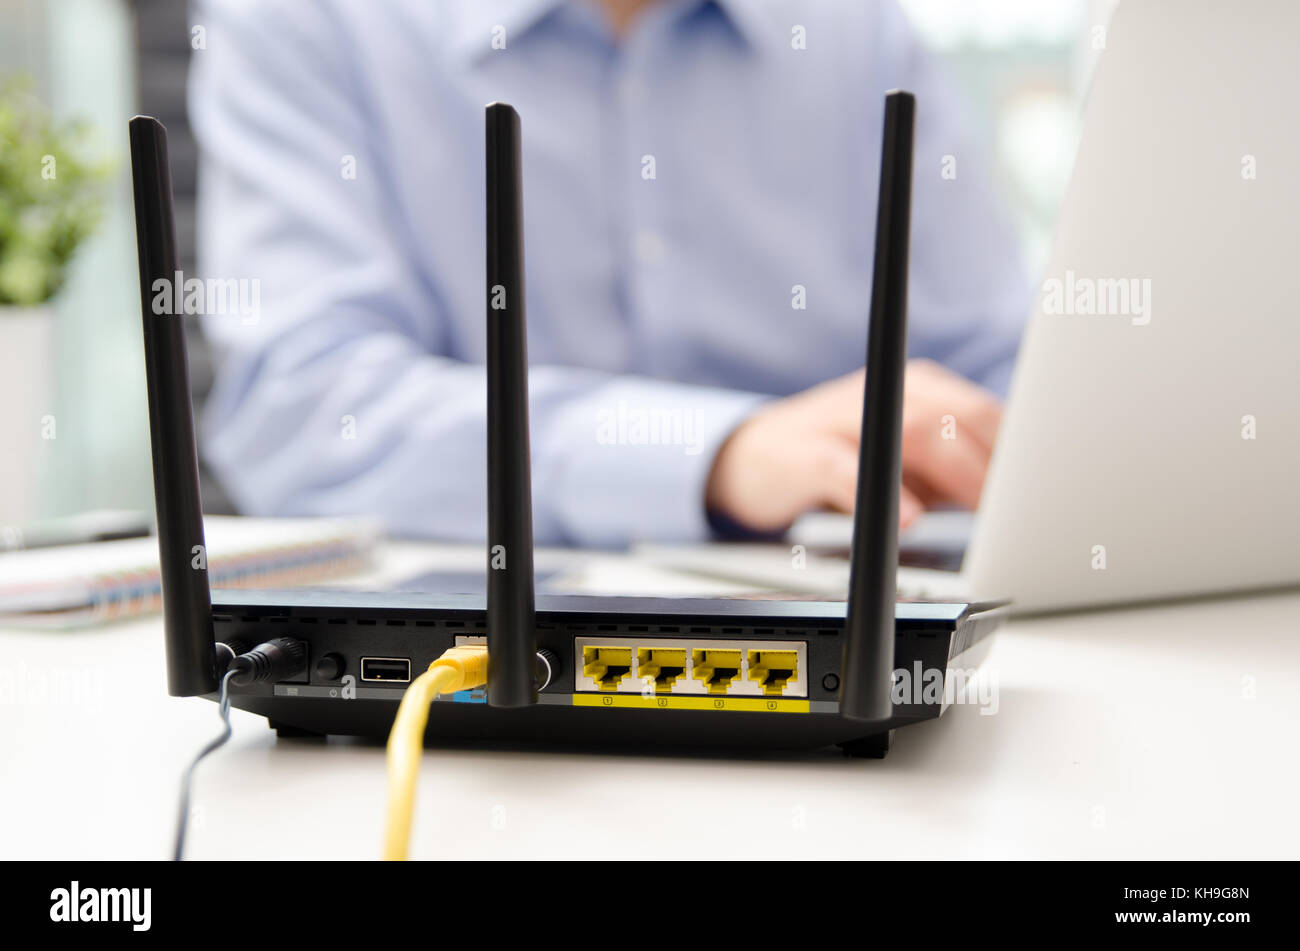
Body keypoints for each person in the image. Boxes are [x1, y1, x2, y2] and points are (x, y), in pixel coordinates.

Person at [189, 0, 1026, 546]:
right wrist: (714, 453)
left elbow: (1002, 367)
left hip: (874, 635)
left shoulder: (859, 30)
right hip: (475, 688)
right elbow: (301, 412)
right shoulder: (306, 22)